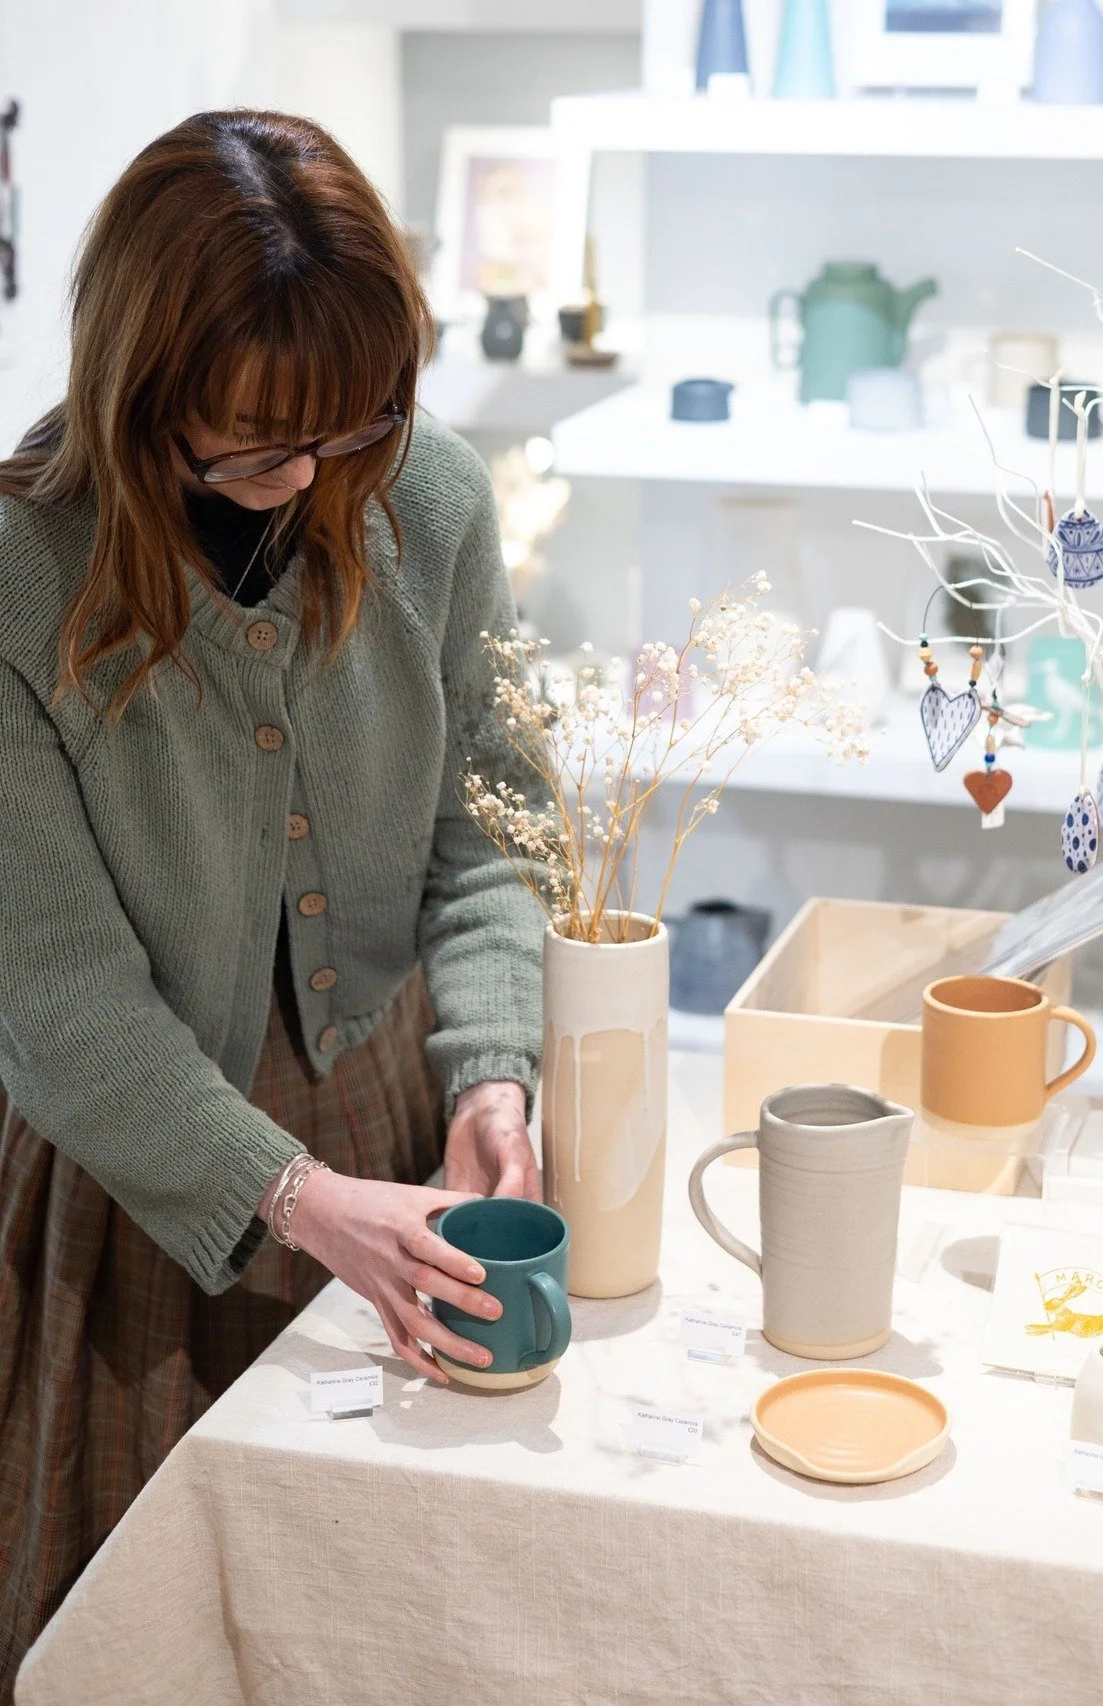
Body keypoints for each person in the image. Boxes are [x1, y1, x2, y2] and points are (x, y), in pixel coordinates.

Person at [0, 109, 545, 1696]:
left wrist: (495, 1066)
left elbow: (492, 830)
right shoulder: (26, 572)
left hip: (397, 1125)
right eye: (250, 439)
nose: (305, 476)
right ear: (140, 387)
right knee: (146, 1636)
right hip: (142, 1189)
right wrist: (296, 1202)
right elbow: (60, 997)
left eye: (349, 424)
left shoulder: (423, 500)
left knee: (394, 1635)